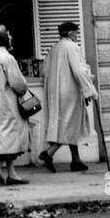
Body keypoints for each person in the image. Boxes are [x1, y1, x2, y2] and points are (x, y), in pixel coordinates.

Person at [39, 21, 97, 173]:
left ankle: (76, 160)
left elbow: (44, 71)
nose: (77, 35)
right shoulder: (72, 47)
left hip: (56, 93)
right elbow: (78, 71)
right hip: (69, 92)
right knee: (69, 126)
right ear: (71, 33)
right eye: (76, 32)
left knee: (69, 125)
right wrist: (89, 90)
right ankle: (49, 153)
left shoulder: (54, 48)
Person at [0, 25, 30, 185]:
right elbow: (18, 84)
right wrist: (23, 89)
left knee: (3, 138)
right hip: (9, 103)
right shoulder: (7, 58)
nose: (10, 38)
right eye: (8, 36)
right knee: (12, 137)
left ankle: (11, 173)